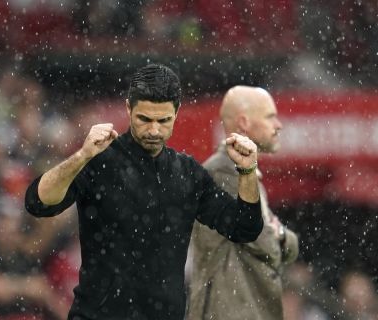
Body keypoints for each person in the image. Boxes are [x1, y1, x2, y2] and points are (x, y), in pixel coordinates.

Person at [24, 64, 264, 320]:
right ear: (129, 109)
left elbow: (244, 228)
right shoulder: (98, 160)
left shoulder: (187, 173)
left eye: (163, 120)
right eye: (144, 119)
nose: (153, 130)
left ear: (176, 112)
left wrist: (248, 172)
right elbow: (37, 202)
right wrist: (81, 156)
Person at [186, 86, 299, 320]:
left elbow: (286, 247)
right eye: (270, 117)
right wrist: (279, 235)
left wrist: (280, 238)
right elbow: (268, 245)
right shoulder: (221, 174)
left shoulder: (242, 175)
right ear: (244, 123)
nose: (279, 125)